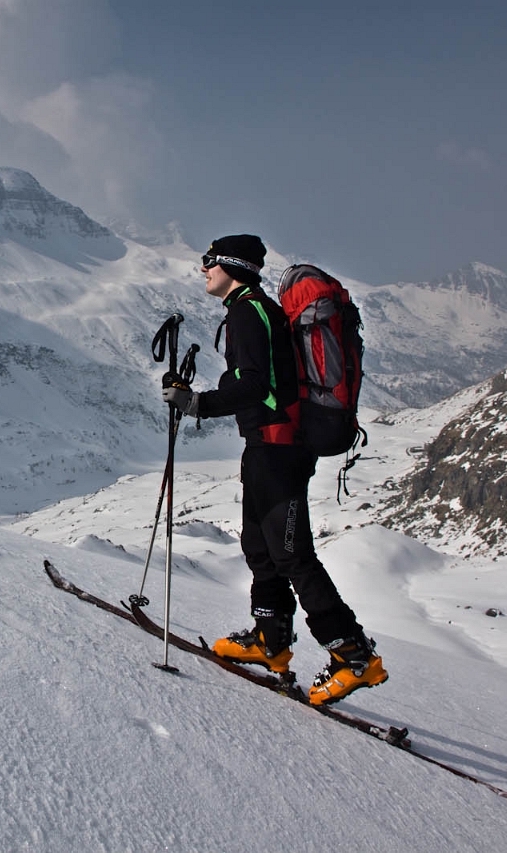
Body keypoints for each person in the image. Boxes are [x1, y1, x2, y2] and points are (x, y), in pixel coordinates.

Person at [161, 234, 387, 706]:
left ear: (230, 266)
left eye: (209, 262)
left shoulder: (249, 310)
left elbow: (254, 384)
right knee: (260, 547)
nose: (203, 269)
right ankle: (271, 642)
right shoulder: (252, 310)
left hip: (279, 450)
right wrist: (194, 393)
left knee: (292, 555)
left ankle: (353, 656)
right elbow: (259, 381)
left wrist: (198, 403)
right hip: (268, 448)